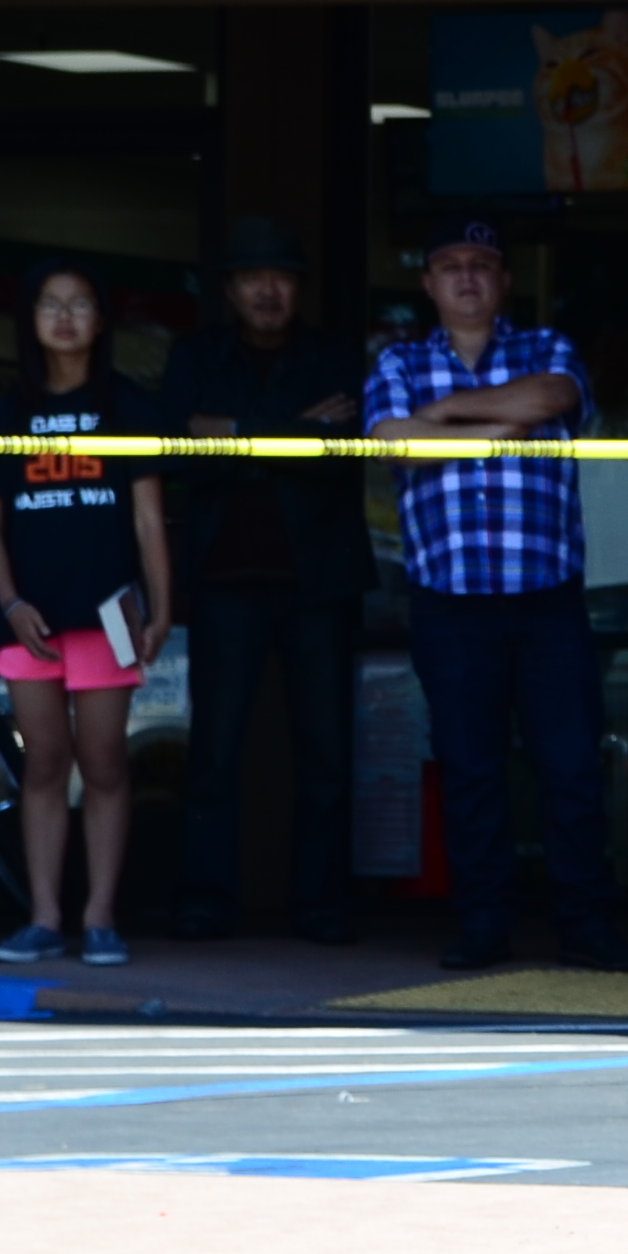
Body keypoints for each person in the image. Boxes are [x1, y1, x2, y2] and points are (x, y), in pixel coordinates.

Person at [360, 216, 628, 972]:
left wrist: (444, 414)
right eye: (450, 265)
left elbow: (553, 396)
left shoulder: (546, 348)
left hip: (547, 598)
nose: (467, 277)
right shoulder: (398, 359)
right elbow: (393, 439)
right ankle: (483, 924)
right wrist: (493, 424)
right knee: (469, 768)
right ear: (428, 283)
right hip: (448, 600)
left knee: (571, 766)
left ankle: (585, 923)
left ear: (505, 280)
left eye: (481, 264)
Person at [163, 214, 369, 942]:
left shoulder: (334, 356)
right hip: (225, 579)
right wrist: (293, 430)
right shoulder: (195, 354)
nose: (267, 291)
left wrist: (232, 433)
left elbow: (339, 460)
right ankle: (205, 900)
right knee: (214, 752)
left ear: (299, 288)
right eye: (253, 278)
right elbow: (178, 456)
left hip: (319, 581)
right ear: (229, 289)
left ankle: (320, 905)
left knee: (327, 755)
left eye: (280, 277)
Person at [0, 263, 173, 967]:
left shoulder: (127, 403)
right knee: (45, 764)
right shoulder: (10, 412)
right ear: (30, 319)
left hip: (108, 616)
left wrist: (162, 606)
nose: (64, 316)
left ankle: (101, 918)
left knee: (106, 763)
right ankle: (45, 917)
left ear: (101, 319)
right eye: (50, 304)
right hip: (31, 622)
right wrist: (10, 603)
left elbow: (149, 523)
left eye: (80, 303)